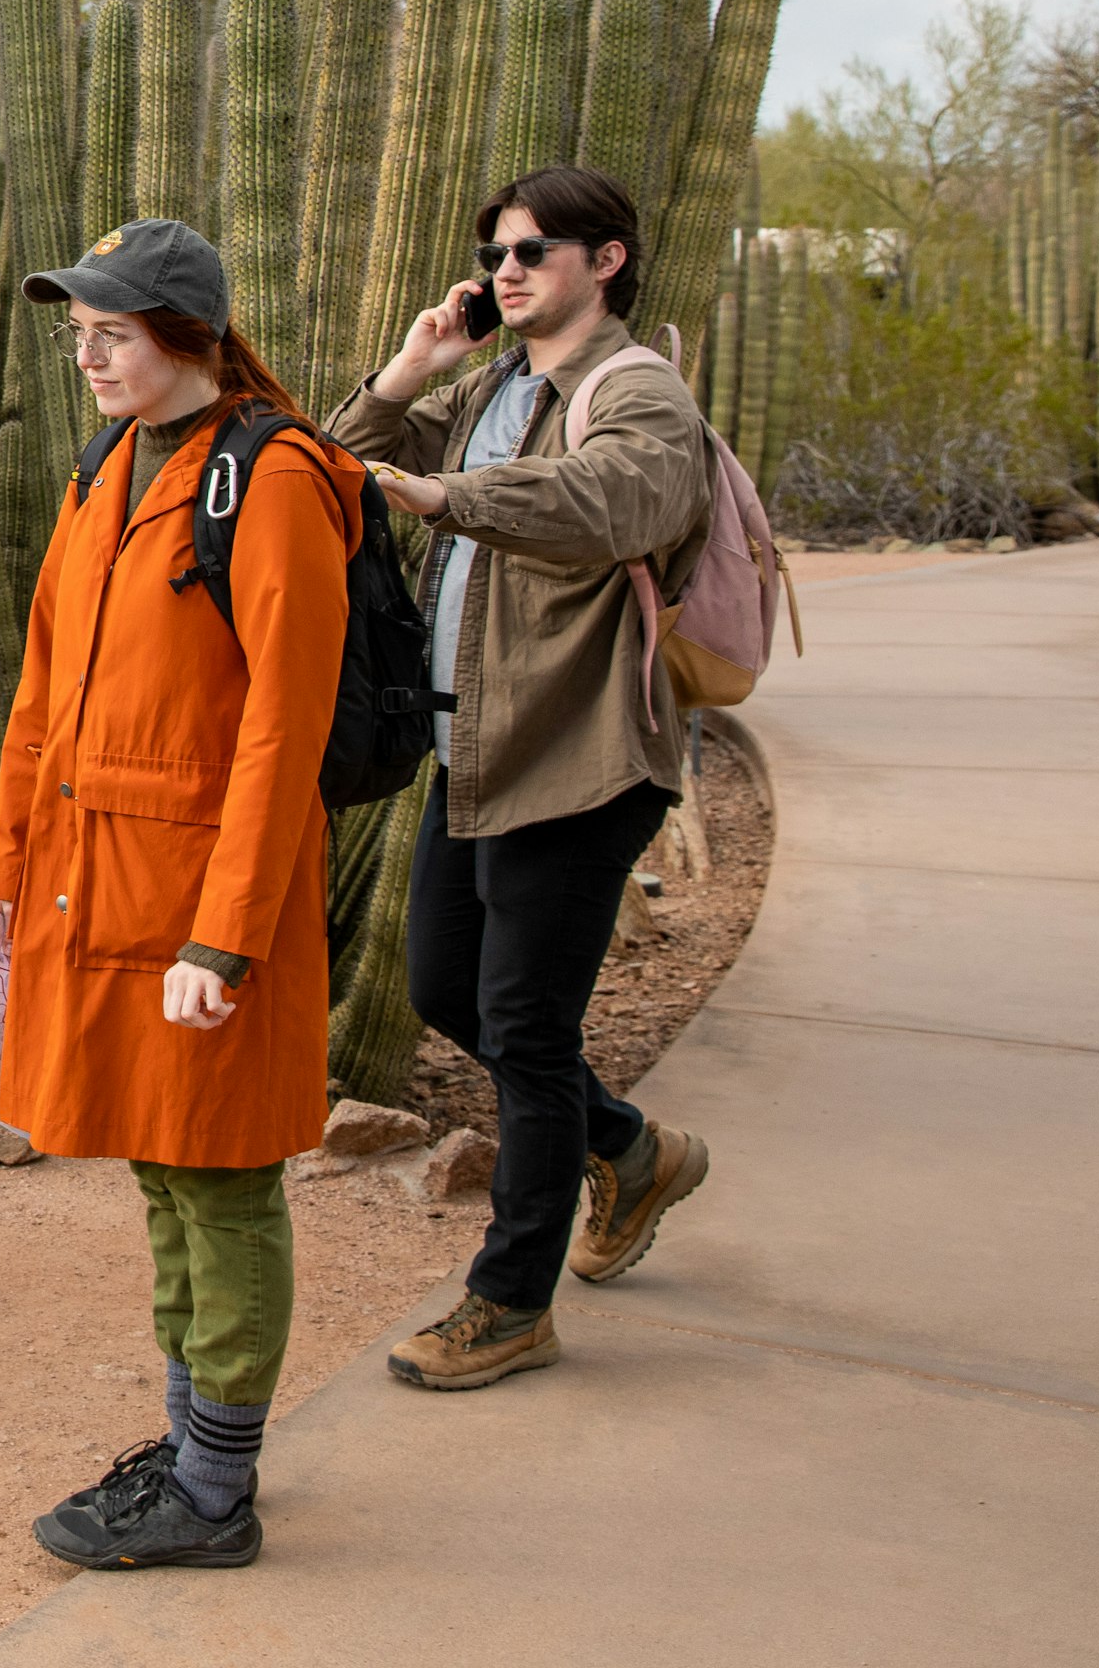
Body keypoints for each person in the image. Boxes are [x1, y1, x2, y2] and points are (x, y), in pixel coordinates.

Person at [0, 218, 359, 1572]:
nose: (87, 355)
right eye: (76, 331)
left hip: (199, 909)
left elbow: (283, 729)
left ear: (188, 340)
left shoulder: (274, 481)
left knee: (223, 1180)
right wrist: (4, 880)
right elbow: (42, 691)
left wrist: (227, 934)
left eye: (113, 333)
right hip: (94, 894)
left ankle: (213, 1490)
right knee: (163, 1169)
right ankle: (194, 1447)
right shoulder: (108, 469)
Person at [329, 165, 719, 1392]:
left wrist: (447, 494)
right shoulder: (503, 382)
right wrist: (412, 371)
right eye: (496, 249)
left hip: (584, 753)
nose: (507, 268)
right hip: (482, 751)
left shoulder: (634, 391)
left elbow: (618, 499)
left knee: (528, 1030)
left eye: (535, 248)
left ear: (605, 260)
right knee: (450, 985)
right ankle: (634, 1148)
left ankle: (509, 1302)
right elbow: (346, 466)